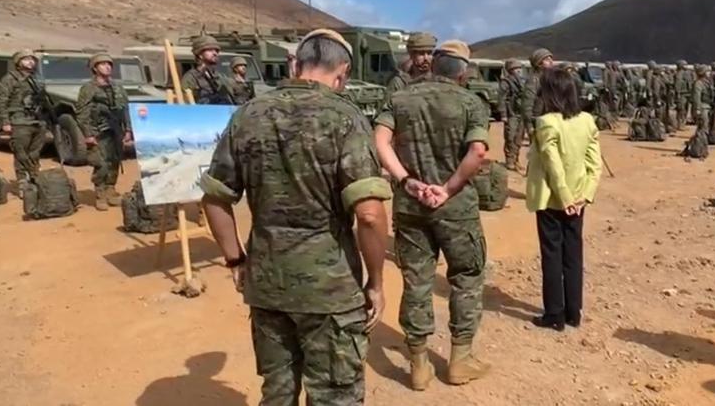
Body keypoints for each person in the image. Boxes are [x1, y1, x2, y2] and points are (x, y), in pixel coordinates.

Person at [200, 29, 391, 405]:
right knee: (335, 396)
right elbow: (369, 214)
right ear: (343, 72)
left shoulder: (248, 114)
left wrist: (236, 259)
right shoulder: (346, 118)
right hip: (330, 291)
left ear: (297, 64)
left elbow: (214, 198)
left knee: (278, 390)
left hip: (268, 282)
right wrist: (377, 281)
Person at [374, 40, 491, 390]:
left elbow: (380, 142)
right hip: (456, 210)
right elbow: (478, 152)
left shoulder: (399, 98)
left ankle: (420, 365)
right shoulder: (471, 102)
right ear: (463, 71)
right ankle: (460, 360)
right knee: (466, 278)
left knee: (417, 281)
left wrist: (407, 181)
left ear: (434, 65)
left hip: (411, 208)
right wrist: (449, 187)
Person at [525, 67, 602, 331]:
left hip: (551, 199)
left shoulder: (546, 122)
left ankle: (554, 314)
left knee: (552, 255)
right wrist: (584, 195)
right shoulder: (586, 121)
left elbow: (552, 163)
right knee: (573, 255)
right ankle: (573, 311)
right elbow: (595, 165)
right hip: (578, 199)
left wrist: (565, 196)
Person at [76, 54, 132, 211]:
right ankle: (100, 193)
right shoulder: (89, 88)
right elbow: (82, 112)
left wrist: (128, 129)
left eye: (109, 64)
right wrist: (88, 134)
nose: (107, 67)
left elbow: (125, 109)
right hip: (98, 130)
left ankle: (110, 190)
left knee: (114, 161)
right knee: (100, 163)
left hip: (115, 130)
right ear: (95, 68)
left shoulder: (117, 87)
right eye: (102, 64)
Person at [0, 50, 48, 195]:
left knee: (35, 152)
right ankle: (22, 182)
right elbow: (1, 101)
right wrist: (5, 122)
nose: (30, 61)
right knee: (21, 153)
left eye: (32, 59)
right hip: (19, 120)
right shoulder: (10, 79)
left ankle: (34, 177)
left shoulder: (37, 78)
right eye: (26, 59)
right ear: (18, 62)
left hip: (38, 120)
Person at [385, 32, 436, 100]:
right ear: (411, 55)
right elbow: (386, 109)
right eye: (421, 54)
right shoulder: (400, 83)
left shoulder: (438, 80)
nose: (426, 58)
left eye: (429, 53)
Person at [182, 35, 230, 104]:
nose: (215, 53)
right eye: (210, 50)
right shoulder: (190, 78)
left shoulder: (220, 77)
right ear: (200, 55)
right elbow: (186, 104)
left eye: (216, 51)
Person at [499, 59, 525, 171]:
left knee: (519, 138)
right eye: (516, 69)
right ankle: (509, 161)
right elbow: (501, 99)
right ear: (510, 70)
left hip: (521, 113)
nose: (518, 71)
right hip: (511, 113)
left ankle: (516, 159)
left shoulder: (523, 82)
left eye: (519, 68)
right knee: (510, 137)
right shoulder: (505, 82)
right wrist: (503, 114)